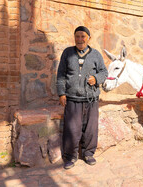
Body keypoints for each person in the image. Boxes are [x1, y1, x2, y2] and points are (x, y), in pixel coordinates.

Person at [56, 26, 108, 169]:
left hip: (91, 98)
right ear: (74, 38)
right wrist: (61, 93)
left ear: (88, 38)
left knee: (91, 128)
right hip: (72, 98)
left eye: (83, 36)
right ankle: (70, 157)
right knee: (72, 128)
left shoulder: (96, 54)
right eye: (77, 36)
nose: (80, 39)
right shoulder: (67, 53)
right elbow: (61, 74)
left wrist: (96, 78)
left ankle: (88, 154)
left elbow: (104, 72)